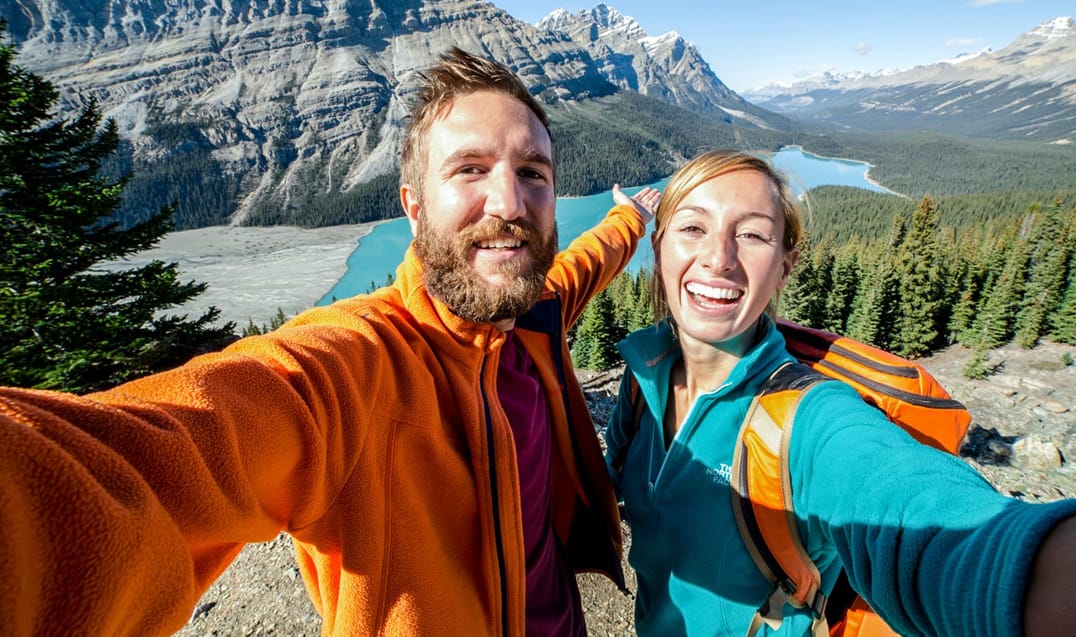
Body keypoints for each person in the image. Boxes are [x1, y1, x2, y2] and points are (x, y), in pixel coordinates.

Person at [0, 47, 660, 636]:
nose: (509, 203)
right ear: (413, 206)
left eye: (534, 174)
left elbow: (586, 260)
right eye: (469, 170)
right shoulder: (353, 366)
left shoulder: (536, 311)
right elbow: (162, 455)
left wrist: (631, 216)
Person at [604, 148, 1076, 636]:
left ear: (785, 266)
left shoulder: (809, 419)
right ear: (658, 245)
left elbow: (909, 508)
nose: (718, 257)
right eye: (693, 227)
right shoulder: (642, 373)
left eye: (753, 235)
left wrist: (1049, 574)